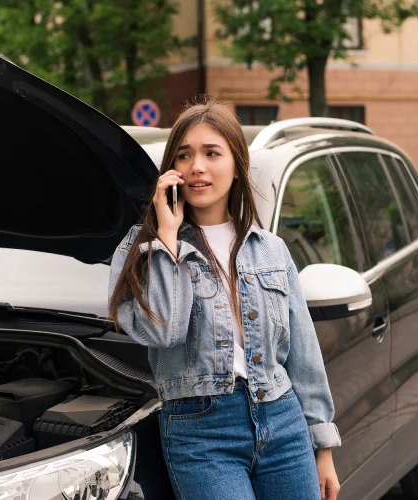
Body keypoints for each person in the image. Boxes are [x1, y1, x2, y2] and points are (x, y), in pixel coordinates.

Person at [108, 97, 342, 500]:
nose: (196, 166)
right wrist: (167, 236)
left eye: (212, 153)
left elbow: (304, 356)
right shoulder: (143, 248)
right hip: (201, 434)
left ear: (236, 166)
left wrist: (322, 447)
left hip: (283, 422)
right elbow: (163, 330)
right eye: (184, 155)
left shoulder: (270, 250)